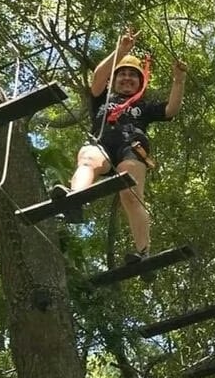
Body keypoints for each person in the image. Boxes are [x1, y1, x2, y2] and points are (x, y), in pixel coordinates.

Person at [53, 28, 186, 258]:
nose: (126, 78)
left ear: (140, 83)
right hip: (102, 144)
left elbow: (171, 109)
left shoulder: (144, 107)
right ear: (114, 80)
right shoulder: (101, 98)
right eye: (121, 74)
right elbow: (97, 78)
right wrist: (121, 50)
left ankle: (142, 251)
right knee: (87, 158)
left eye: (132, 75)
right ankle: (74, 198)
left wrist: (178, 81)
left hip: (131, 148)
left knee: (130, 194)